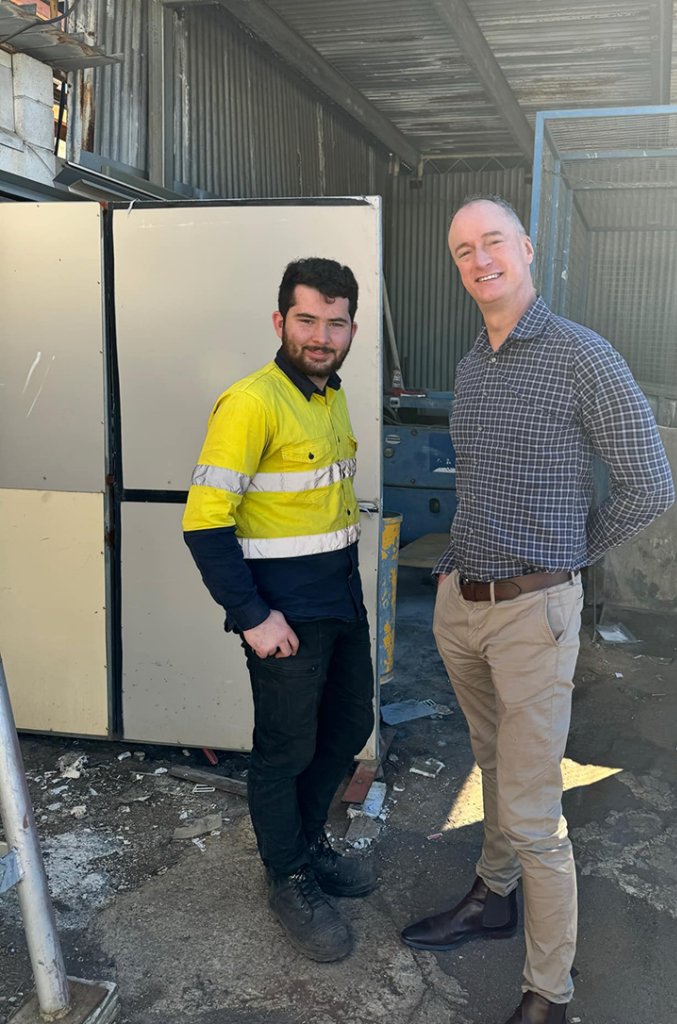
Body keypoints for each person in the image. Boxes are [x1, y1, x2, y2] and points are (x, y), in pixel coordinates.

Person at [400, 197, 675, 1023]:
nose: (479, 260)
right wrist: (453, 580)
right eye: (462, 251)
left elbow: (649, 487)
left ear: (525, 249)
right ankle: (491, 899)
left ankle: (546, 995)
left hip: (531, 612)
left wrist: (568, 560)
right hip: (464, 604)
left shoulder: (582, 357)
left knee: (531, 813)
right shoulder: (471, 365)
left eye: (492, 242)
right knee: (492, 765)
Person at [183, 257, 376, 964]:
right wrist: (251, 615)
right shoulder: (252, 402)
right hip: (284, 618)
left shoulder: (330, 397)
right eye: (307, 320)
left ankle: (307, 845)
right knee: (285, 749)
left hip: (338, 603)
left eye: (335, 322)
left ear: (351, 327)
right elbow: (205, 522)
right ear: (279, 322)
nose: (321, 336)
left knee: (348, 725)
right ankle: (287, 874)